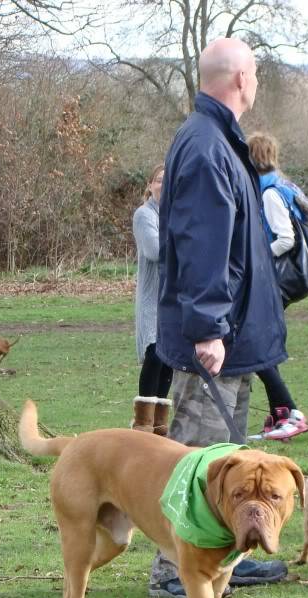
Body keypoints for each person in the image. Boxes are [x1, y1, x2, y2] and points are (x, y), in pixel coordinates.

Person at [149, 38, 289, 598]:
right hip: (215, 336)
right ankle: (173, 570)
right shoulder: (207, 146)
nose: (256, 83)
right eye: (254, 73)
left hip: (234, 335)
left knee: (226, 458)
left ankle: (224, 555)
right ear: (238, 79)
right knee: (197, 456)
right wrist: (208, 326)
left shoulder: (218, 140)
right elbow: (204, 242)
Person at [246, 131, 308, 441]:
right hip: (268, 281)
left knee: (256, 345)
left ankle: (291, 411)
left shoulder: (270, 193)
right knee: (257, 345)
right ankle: (279, 417)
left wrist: (258, 257)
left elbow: (286, 238)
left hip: (270, 280)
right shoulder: (282, 185)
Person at [132, 164, 173, 435]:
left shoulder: (174, 213)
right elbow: (155, 250)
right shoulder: (144, 215)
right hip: (152, 300)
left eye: (167, 180)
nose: (162, 184)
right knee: (154, 354)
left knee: (169, 358)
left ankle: (160, 426)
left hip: (173, 299)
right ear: (149, 185)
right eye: (158, 180)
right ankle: (143, 425)